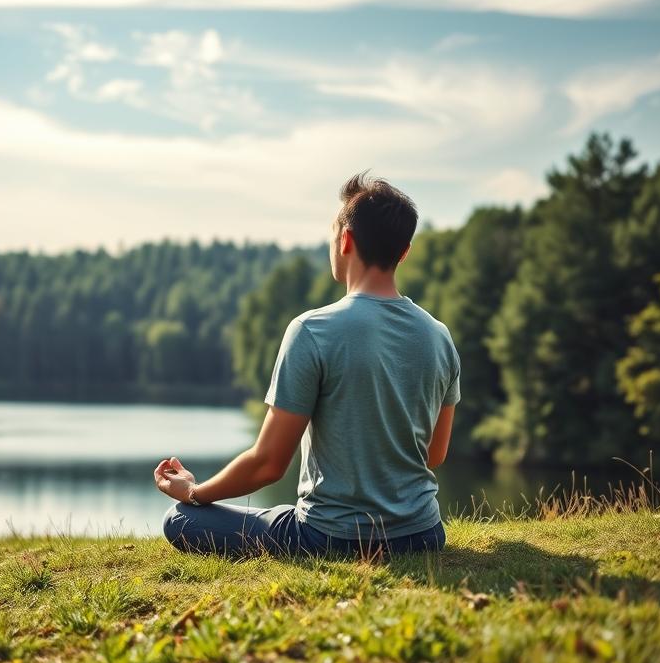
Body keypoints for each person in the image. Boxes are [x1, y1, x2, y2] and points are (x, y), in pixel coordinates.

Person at [154, 171, 460, 560]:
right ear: (403, 253)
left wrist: (194, 492)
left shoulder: (312, 331)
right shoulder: (439, 336)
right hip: (423, 536)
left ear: (345, 240)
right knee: (275, 514)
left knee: (180, 519)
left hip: (332, 540)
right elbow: (433, 455)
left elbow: (268, 464)